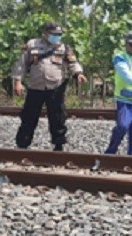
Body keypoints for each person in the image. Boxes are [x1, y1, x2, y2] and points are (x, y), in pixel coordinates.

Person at [12, 23, 88, 151]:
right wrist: (18, 82)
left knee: (57, 117)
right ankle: (23, 144)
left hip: (55, 87)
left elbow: (73, 63)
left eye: (59, 35)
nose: (57, 37)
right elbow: (21, 64)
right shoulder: (32, 45)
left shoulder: (64, 48)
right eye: (54, 34)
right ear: (45, 34)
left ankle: (58, 145)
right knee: (29, 116)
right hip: (35, 87)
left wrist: (79, 74)